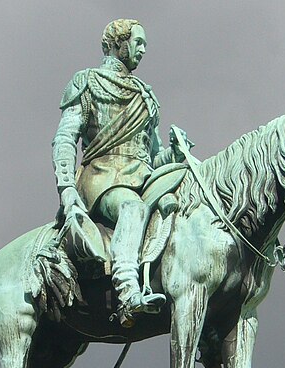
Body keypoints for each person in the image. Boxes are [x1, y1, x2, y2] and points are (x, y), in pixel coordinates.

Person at [51, 19, 187, 327]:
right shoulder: (87, 82)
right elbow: (65, 138)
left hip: (141, 177)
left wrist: (175, 153)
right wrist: (66, 187)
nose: (143, 50)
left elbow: (153, 156)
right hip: (102, 177)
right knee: (131, 207)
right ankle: (127, 292)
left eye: (145, 45)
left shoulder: (145, 95)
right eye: (138, 43)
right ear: (118, 44)